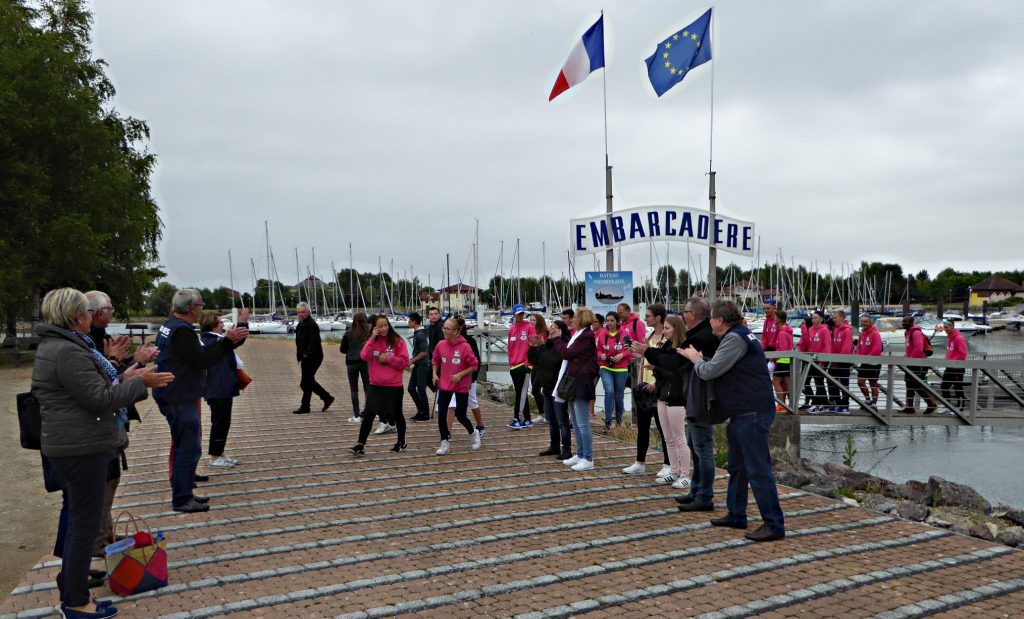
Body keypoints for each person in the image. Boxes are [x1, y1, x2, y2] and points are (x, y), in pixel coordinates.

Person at [33, 288, 172, 618]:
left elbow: (92, 391)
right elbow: (100, 400)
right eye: (85, 312)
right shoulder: (68, 351)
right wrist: (142, 384)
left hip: (71, 445)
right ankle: (77, 602)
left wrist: (127, 375)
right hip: (81, 448)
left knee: (77, 517)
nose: (89, 317)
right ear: (74, 316)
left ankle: (71, 582)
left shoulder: (59, 346)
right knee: (84, 524)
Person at [680, 300, 785, 542]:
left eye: (711, 319)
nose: (709, 323)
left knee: (758, 469)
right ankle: (736, 514)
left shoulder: (735, 339)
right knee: (737, 467)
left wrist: (696, 358)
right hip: (741, 412)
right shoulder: (739, 335)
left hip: (752, 411)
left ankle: (773, 524)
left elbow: (709, 371)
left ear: (720, 320)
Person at [154, 288, 247, 513]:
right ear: (192, 308)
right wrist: (226, 342)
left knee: (183, 445)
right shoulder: (182, 331)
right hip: (179, 395)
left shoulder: (169, 325)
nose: (200, 311)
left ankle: (185, 490)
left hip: (174, 392)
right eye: (200, 306)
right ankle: (182, 498)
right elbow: (201, 360)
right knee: (189, 447)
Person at [84, 290, 158, 558]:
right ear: (96, 313)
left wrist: (135, 360)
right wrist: (122, 363)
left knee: (111, 479)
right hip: (99, 426)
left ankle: (105, 532)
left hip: (111, 423)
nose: (112, 312)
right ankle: (98, 540)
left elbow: (113, 375)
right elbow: (105, 383)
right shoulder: (85, 343)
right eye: (110, 308)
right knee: (101, 483)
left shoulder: (97, 338)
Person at [671, 297, 720, 512]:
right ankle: (696, 491)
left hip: (701, 399)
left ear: (694, 315)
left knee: (703, 449)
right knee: (694, 445)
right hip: (693, 396)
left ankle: (705, 496)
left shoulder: (702, 336)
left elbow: (677, 361)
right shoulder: (697, 334)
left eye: (685, 311)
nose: (683, 314)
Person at [636, 315, 690, 489]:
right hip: (662, 394)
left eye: (667, 328)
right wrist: (656, 368)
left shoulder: (683, 348)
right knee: (668, 437)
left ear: (676, 329)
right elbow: (663, 368)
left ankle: (685, 474)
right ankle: (673, 471)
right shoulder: (666, 346)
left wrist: (657, 368)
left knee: (679, 437)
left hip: (676, 396)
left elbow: (676, 372)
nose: (664, 331)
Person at [621, 304, 672, 478]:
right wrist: (641, 381)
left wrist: (656, 383)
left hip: (660, 388)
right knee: (643, 427)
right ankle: (640, 462)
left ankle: (668, 463)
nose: (646, 319)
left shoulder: (667, 339)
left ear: (658, 317)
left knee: (663, 427)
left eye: (649, 316)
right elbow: (644, 359)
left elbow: (668, 363)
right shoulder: (649, 336)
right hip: (646, 386)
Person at [351, 315, 410, 454]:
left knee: (396, 414)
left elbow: (404, 362)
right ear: (375, 328)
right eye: (380, 326)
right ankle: (360, 444)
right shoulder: (372, 341)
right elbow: (364, 356)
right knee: (370, 413)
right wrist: (372, 338)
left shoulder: (397, 341)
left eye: (386, 325)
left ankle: (401, 442)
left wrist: (389, 359)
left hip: (394, 385)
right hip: (376, 385)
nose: (384, 328)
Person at [199, 310, 250, 468]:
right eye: (220, 322)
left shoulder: (218, 339)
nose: (223, 324)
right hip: (217, 388)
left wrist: (242, 324)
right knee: (219, 422)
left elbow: (236, 340)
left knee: (224, 422)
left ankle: (220, 453)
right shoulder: (210, 341)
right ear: (213, 326)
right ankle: (214, 457)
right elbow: (230, 342)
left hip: (223, 387)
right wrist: (240, 324)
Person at [552, 307, 599, 471]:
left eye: (575, 317)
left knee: (582, 423)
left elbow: (567, 353)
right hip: (574, 381)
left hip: (582, 381)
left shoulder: (586, 336)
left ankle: (588, 458)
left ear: (582, 319)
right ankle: (580, 454)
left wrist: (557, 339)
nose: (572, 320)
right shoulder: (578, 334)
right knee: (576, 422)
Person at [432, 318, 482, 454]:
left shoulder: (465, 347)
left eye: (447, 329)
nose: (444, 331)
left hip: (461, 386)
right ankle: (444, 443)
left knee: (460, 415)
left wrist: (461, 374)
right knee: (441, 414)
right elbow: (435, 359)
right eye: (444, 328)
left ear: (456, 331)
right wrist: (434, 374)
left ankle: (473, 433)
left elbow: (474, 365)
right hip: (445, 385)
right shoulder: (441, 345)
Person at [529, 320, 572, 458]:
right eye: (551, 327)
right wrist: (533, 347)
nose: (551, 330)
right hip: (547, 388)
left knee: (562, 421)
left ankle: (566, 449)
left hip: (558, 389)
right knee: (551, 420)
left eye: (555, 328)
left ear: (561, 331)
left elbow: (556, 361)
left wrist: (547, 345)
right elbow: (534, 362)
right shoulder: (547, 345)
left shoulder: (564, 346)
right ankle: (554, 446)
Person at [448, 317, 486, 437]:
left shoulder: (470, 342)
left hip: (468, 378)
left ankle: (480, 425)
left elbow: (476, 362)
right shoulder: (449, 342)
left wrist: (473, 377)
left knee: (472, 403)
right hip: (454, 379)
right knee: (452, 404)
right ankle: (447, 432)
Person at [293, 302, 334, 414]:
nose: (301, 314)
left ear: (308, 312)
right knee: (307, 382)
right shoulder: (300, 324)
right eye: (299, 312)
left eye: (303, 312)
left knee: (305, 382)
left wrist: (306, 354)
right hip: (305, 357)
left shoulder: (311, 324)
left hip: (313, 357)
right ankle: (322, 400)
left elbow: (315, 342)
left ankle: (321, 400)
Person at [597, 311, 631, 432]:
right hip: (606, 367)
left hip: (621, 368)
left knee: (618, 395)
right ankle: (607, 421)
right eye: (607, 320)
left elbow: (631, 350)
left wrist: (622, 354)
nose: (609, 323)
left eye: (612, 320)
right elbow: (598, 350)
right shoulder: (602, 334)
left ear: (617, 321)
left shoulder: (625, 334)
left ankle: (619, 421)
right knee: (609, 391)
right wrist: (601, 355)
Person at [506, 304, 536, 429]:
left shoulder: (529, 327)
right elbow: (510, 349)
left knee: (521, 394)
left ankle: (517, 418)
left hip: (524, 366)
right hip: (514, 366)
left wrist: (528, 364)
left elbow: (534, 347)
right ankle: (527, 418)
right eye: (518, 313)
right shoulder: (511, 329)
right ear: (513, 314)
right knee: (520, 393)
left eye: (522, 313)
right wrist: (510, 362)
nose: (520, 316)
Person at [899, 315, 937, 415]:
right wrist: (905, 357)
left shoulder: (916, 333)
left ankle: (931, 403)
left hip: (919, 363)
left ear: (911, 323)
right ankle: (909, 407)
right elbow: (910, 347)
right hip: (911, 362)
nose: (903, 323)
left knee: (915, 384)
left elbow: (918, 348)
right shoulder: (907, 332)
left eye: (905, 322)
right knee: (909, 384)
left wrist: (910, 359)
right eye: (903, 321)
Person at [339, 312, 371, 423]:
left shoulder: (348, 333)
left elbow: (342, 350)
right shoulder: (369, 333)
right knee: (367, 387)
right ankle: (368, 413)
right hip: (365, 362)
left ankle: (356, 416)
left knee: (354, 389)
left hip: (352, 363)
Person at [800, 311, 831, 412]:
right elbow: (807, 344)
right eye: (812, 318)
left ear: (821, 319)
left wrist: (823, 362)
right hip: (810, 358)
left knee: (818, 381)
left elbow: (827, 347)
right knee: (804, 380)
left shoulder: (825, 330)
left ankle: (822, 403)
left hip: (820, 360)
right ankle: (815, 401)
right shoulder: (810, 329)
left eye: (816, 318)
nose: (813, 320)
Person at [827, 310, 853, 413]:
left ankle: (845, 405)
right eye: (833, 318)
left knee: (844, 383)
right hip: (835, 360)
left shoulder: (847, 330)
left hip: (844, 360)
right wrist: (832, 359)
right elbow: (834, 346)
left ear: (842, 318)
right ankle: (837, 402)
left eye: (835, 317)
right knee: (831, 380)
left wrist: (837, 361)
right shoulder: (836, 330)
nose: (834, 319)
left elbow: (846, 348)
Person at [406, 312, 431, 421]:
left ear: (414, 321)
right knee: (411, 388)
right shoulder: (418, 333)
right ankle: (421, 410)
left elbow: (424, 352)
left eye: (409, 320)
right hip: (418, 365)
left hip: (422, 365)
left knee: (421, 389)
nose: (408, 322)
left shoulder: (420, 334)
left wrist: (411, 361)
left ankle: (425, 414)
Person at [939, 319, 968, 409]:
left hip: (957, 367)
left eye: (947, 327)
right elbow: (951, 351)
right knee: (944, 386)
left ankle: (960, 406)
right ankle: (947, 406)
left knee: (957, 387)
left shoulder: (959, 338)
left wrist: (953, 362)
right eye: (944, 327)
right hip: (949, 366)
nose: (945, 329)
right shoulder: (949, 337)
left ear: (952, 326)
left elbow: (963, 353)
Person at [855, 314, 883, 407]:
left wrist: (868, 357)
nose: (863, 323)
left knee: (873, 383)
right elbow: (859, 346)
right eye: (862, 321)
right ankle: (868, 400)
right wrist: (859, 356)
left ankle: (874, 404)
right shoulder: (862, 333)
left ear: (870, 323)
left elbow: (877, 348)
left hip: (874, 362)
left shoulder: (875, 333)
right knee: (860, 382)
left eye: (866, 321)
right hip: (864, 361)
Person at [772, 310, 794, 413]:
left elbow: (782, 349)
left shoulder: (782, 332)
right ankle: (792, 405)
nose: (774, 318)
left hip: (781, 360)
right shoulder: (788, 331)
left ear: (779, 319)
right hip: (787, 360)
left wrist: (774, 358)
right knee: (786, 383)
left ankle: (781, 405)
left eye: (775, 317)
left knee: (775, 381)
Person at [528, 313, 549, 423]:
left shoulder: (544, 334)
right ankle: (542, 413)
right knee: (535, 391)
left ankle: (547, 413)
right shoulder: (530, 333)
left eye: (534, 320)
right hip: (535, 366)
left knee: (544, 390)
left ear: (539, 321)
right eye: (530, 320)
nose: (531, 322)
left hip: (544, 366)